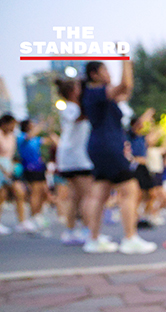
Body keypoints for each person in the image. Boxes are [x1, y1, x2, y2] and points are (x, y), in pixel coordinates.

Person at [81, 59, 156, 254]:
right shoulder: (96, 92)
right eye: (105, 70)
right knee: (129, 190)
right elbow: (126, 86)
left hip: (99, 146)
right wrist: (125, 59)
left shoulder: (92, 95)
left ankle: (93, 239)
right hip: (110, 146)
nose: (109, 73)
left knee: (100, 193)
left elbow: (125, 91)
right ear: (94, 74)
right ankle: (130, 238)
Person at [55, 78, 94, 245]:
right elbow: (79, 117)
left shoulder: (73, 107)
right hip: (75, 158)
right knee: (88, 195)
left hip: (73, 157)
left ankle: (71, 231)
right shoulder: (70, 108)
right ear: (72, 91)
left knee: (75, 196)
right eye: (79, 87)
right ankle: (88, 231)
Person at [16, 119, 52, 234]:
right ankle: (33, 216)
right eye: (32, 123)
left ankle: (37, 214)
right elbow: (30, 135)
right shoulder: (21, 137)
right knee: (35, 192)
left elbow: (49, 141)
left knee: (42, 191)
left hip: (40, 167)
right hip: (29, 168)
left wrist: (50, 128)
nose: (34, 125)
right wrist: (41, 125)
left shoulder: (36, 139)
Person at [0, 114, 27, 235]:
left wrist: (10, 168)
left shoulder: (12, 136)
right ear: (4, 124)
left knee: (20, 192)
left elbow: (12, 154)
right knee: (2, 195)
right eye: (12, 124)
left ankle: (22, 222)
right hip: (1, 167)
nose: (13, 127)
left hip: (9, 167)